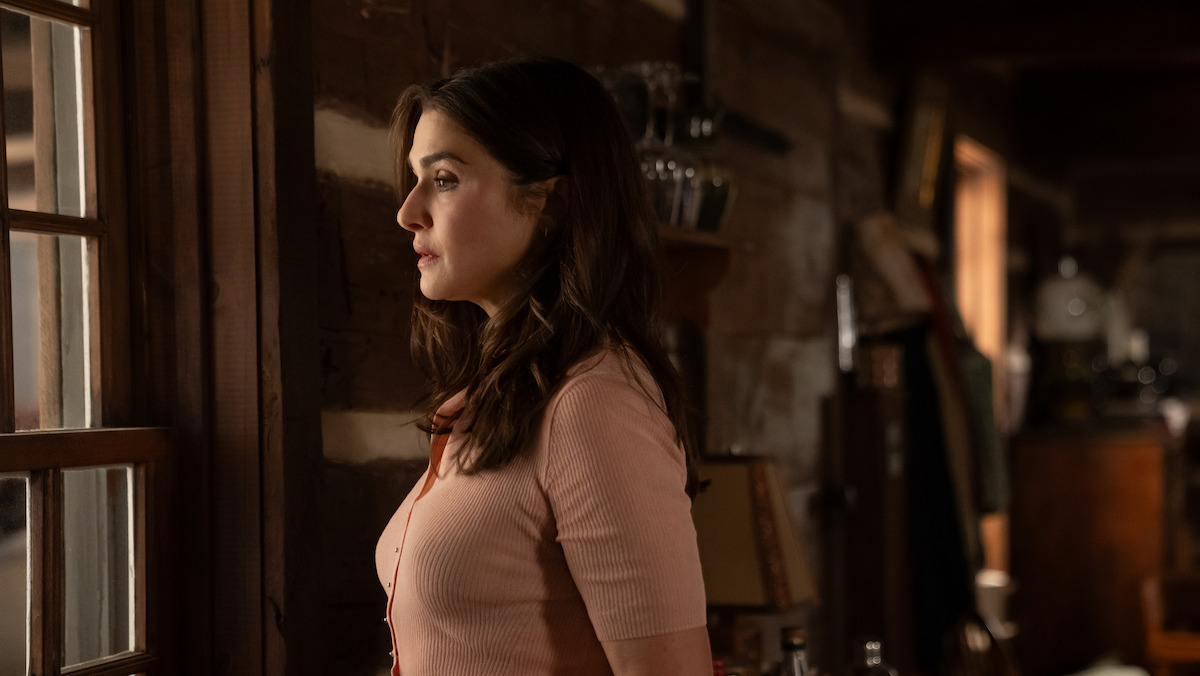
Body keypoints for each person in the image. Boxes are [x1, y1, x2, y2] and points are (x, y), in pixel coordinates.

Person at [374, 57, 711, 675]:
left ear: (550, 204)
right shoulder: (497, 396)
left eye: (443, 178)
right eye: (414, 179)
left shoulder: (595, 402)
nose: (408, 212)